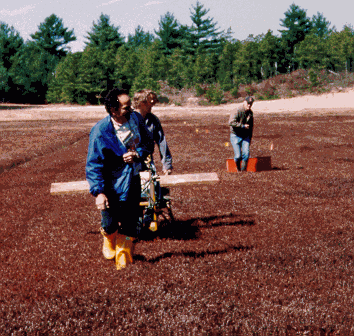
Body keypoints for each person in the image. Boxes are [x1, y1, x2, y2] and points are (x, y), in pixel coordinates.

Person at [86, 88, 153, 270]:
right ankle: (108, 236)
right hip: (111, 184)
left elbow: (148, 142)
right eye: (125, 107)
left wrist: (137, 153)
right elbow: (94, 164)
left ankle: (123, 255)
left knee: (131, 221)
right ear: (113, 110)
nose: (130, 109)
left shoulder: (136, 119)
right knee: (109, 221)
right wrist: (99, 192)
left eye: (130, 105)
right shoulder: (100, 131)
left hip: (134, 179)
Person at [132, 89, 173, 175]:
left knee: (152, 186)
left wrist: (167, 165)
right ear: (141, 102)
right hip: (130, 162)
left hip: (147, 161)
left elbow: (162, 142)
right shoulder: (128, 119)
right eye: (149, 101)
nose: (152, 103)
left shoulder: (153, 120)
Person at [229, 96, 254, 172]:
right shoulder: (237, 110)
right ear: (244, 102)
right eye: (248, 104)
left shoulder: (250, 113)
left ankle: (243, 172)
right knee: (238, 156)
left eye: (251, 104)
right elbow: (231, 122)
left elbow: (251, 126)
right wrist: (242, 126)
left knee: (246, 154)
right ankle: (238, 169)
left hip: (246, 136)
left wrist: (250, 137)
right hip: (235, 135)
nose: (249, 105)